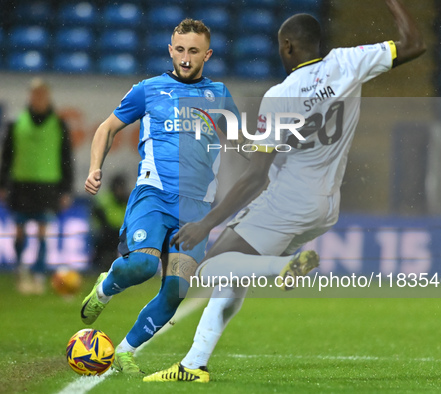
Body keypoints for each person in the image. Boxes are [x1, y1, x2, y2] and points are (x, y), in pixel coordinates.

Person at [144, 0, 426, 382]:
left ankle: (285, 269)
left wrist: (206, 223)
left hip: (285, 201)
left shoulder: (281, 94)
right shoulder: (347, 63)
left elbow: (258, 176)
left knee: (212, 268)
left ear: (288, 47)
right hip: (325, 206)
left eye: (281, 46)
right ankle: (193, 365)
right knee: (234, 279)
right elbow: (414, 45)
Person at [79, 18, 276, 374]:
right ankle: (105, 288)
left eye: (194, 51)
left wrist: (269, 157)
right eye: (180, 50)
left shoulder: (218, 95)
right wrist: (96, 167)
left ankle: (124, 352)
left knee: (175, 290)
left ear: (208, 55)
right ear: (170, 50)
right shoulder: (148, 89)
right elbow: (107, 128)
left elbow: (240, 141)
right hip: (153, 196)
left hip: (196, 211)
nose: (186, 58)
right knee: (140, 265)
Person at [0, 78, 74, 295]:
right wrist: (2, 183)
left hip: (48, 185)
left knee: (42, 231)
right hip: (21, 183)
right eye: (35, 95)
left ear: (48, 97)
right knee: (19, 230)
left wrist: (66, 189)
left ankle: (39, 274)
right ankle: (20, 270)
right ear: (30, 96)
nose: (38, 99)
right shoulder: (16, 122)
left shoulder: (59, 124)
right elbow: (6, 156)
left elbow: (66, 158)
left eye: (42, 95)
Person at [90, 174, 129, 273]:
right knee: (105, 237)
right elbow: (97, 215)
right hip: (105, 230)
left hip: (120, 231)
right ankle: (98, 264)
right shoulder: (105, 199)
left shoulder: (127, 200)